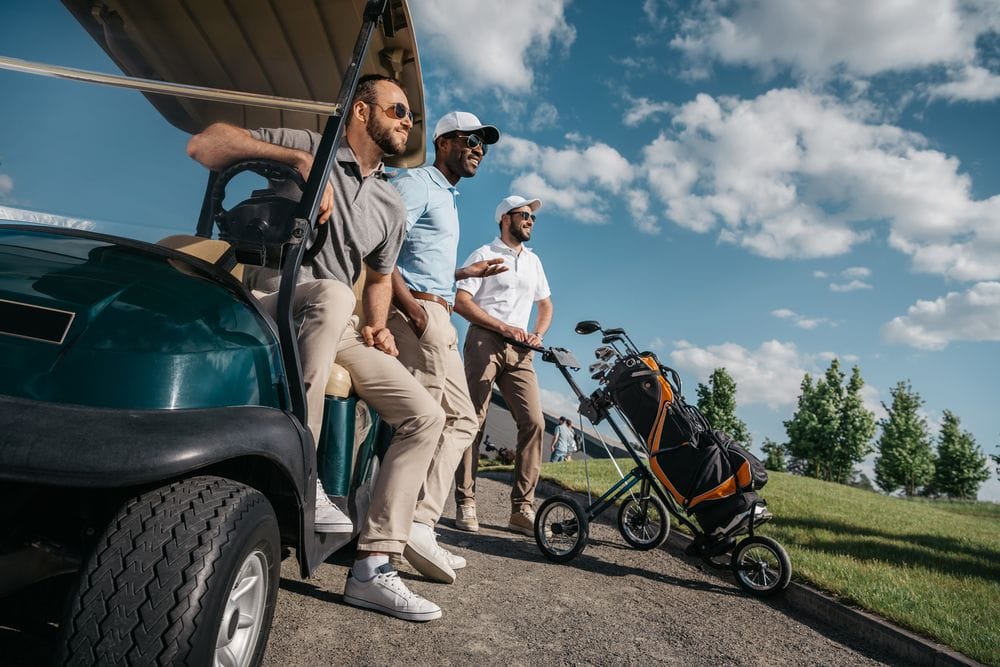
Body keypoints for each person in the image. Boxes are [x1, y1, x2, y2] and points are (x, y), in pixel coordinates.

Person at [187, 74, 446, 622]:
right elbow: (204, 145)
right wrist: (296, 162)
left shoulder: (390, 204)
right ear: (360, 110)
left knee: (425, 414)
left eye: (410, 118)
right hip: (267, 292)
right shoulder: (308, 146)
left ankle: (374, 566)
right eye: (399, 110)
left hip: (339, 322)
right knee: (329, 293)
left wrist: (378, 326)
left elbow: (377, 279)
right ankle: (303, 475)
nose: (407, 121)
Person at [388, 111, 503, 582]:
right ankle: (398, 531)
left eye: (484, 144)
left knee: (463, 419)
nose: (479, 148)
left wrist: (462, 275)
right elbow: (379, 249)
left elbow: (423, 259)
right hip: (420, 314)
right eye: (472, 139)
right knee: (432, 420)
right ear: (444, 141)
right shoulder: (416, 183)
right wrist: (413, 312)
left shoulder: (447, 197)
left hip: (438, 311)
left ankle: (420, 522)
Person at [453, 195, 553, 536]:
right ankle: (465, 501)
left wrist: (537, 334)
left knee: (534, 422)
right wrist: (501, 327)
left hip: (521, 350)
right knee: (474, 419)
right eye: (524, 214)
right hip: (485, 340)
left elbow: (546, 305)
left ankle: (521, 509)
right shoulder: (483, 254)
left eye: (533, 217)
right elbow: (461, 302)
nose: (530, 220)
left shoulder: (534, 262)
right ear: (504, 218)